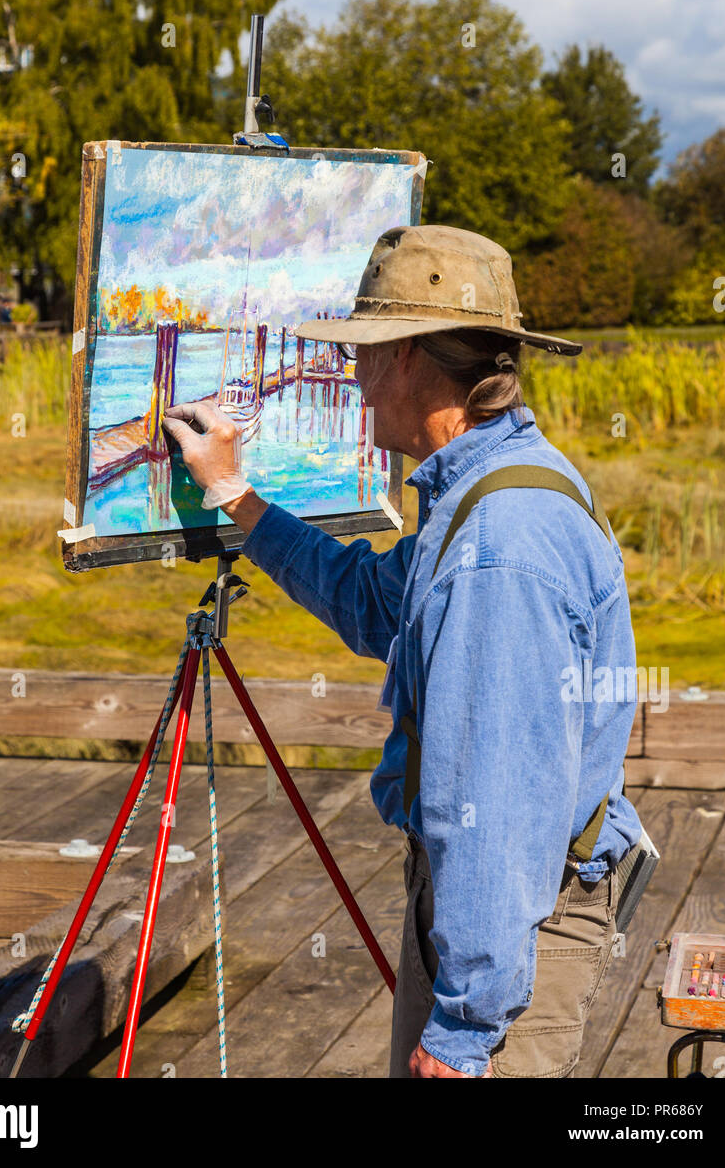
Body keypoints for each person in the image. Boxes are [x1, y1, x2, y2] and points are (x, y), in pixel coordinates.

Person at [162, 224, 643, 1079]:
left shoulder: (497, 547)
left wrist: (463, 1033)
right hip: (502, 932)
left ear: (415, 357)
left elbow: (496, 802)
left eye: (367, 352)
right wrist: (235, 496)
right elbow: (379, 606)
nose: (352, 372)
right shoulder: (485, 486)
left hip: (508, 951)